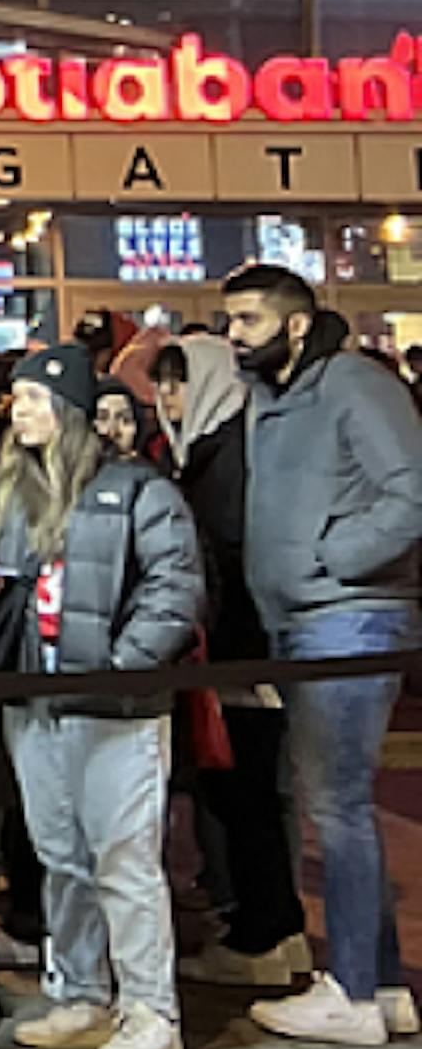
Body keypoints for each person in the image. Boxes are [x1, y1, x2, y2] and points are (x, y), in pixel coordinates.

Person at [0, 348, 206, 1049]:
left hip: (117, 709)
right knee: (60, 857)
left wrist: (123, 665)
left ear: (70, 410)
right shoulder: (12, 490)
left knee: (124, 858)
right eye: (15, 397)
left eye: (32, 397)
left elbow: (175, 585)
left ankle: (151, 1010)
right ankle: (80, 991)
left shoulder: (139, 489)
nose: (18, 410)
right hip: (35, 701)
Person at [226, 257, 422, 1045]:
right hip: (313, 617)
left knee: (335, 803)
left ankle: (353, 987)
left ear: (295, 322)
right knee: (337, 803)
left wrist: (336, 558)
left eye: (249, 320)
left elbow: (411, 491)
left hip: (346, 617)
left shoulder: (350, 384)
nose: (234, 335)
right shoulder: (274, 396)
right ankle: (377, 982)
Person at [149, 325, 312, 992]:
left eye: (177, 380)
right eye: (160, 381)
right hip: (234, 651)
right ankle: (274, 928)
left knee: (247, 796)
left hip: (242, 651)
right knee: (243, 797)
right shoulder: (207, 453)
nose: (166, 395)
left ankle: (264, 934)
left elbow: (229, 557)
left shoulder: (229, 459)